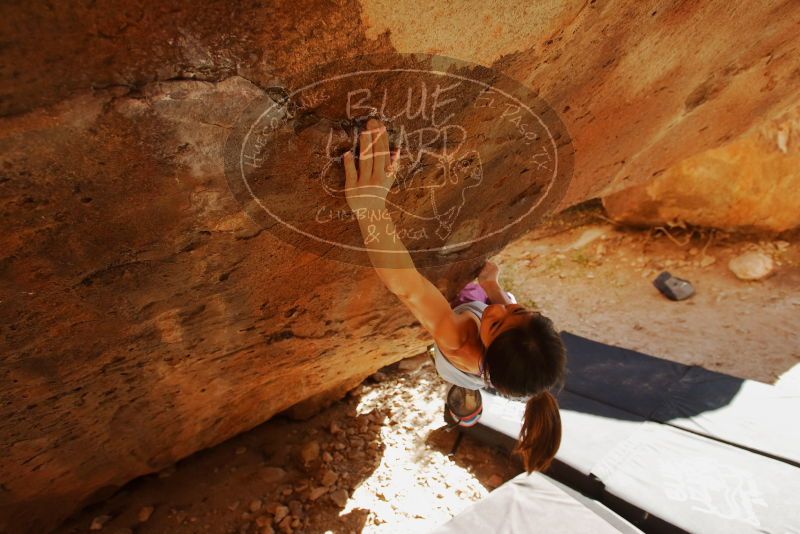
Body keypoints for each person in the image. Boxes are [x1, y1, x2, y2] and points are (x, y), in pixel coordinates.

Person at [342, 118, 567, 473]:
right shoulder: (512, 337)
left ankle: (460, 393)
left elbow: (409, 287)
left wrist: (369, 207)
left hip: (459, 363)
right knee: (494, 327)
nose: (501, 311)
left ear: (489, 352)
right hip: (486, 355)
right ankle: (468, 391)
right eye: (517, 310)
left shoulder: (458, 339)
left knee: (458, 377)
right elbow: (504, 317)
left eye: (498, 326)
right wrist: (493, 288)